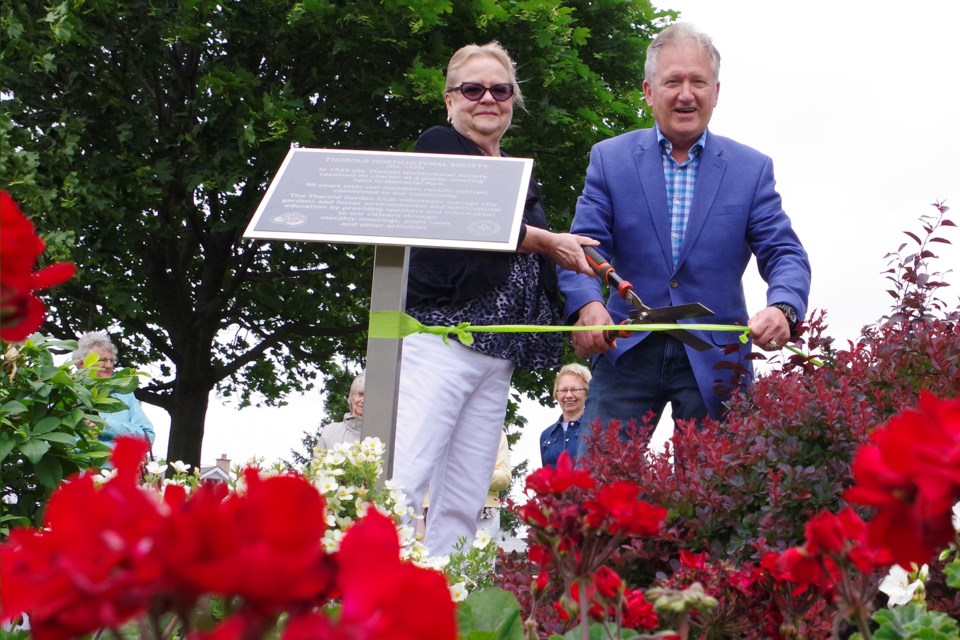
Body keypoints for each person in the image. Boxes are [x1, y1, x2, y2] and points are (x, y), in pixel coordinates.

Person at [558, 23, 811, 456]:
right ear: (648, 90)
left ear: (716, 91)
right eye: (672, 81)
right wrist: (587, 303)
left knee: (718, 499)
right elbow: (584, 246)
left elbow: (784, 251)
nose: (685, 94)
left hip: (717, 358)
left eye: (697, 81)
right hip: (626, 350)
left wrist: (783, 306)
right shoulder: (609, 158)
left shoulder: (751, 169)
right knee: (593, 491)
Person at [392, 41, 598, 556]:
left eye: (500, 89)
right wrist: (547, 241)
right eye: (473, 88)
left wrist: (587, 294)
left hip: (497, 354)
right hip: (442, 342)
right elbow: (473, 217)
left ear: (513, 100)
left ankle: (449, 601)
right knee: (405, 481)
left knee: (466, 495)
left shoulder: (519, 170)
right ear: (449, 100)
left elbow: (545, 259)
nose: (488, 98)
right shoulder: (438, 144)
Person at [72, 332, 155, 447]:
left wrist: (105, 426)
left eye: (111, 360)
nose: (109, 365)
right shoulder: (66, 392)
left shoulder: (125, 394)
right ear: (81, 364)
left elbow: (147, 437)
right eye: (102, 360)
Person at [540, 363, 592, 467]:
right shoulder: (547, 435)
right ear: (556, 394)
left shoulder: (595, 429)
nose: (568, 395)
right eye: (563, 390)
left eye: (575, 390)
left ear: (587, 393)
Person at [317, 371, 365, 450]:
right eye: (360, 394)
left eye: (368, 395)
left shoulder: (384, 435)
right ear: (352, 396)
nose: (363, 400)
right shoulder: (330, 432)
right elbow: (317, 461)